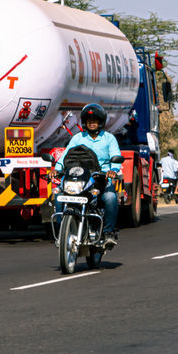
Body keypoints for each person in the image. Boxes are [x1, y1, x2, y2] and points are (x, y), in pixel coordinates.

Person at [56, 102, 122, 247]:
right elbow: (65, 156)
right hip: (79, 179)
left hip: (101, 180)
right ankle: (62, 231)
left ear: (100, 121)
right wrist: (57, 168)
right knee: (58, 195)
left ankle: (108, 233)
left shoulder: (109, 138)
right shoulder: (78, 138)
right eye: (89, 120)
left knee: (110, 197)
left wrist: (113, 170)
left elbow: (116, 157)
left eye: (95, 120)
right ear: (85, 122)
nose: (92, 123)